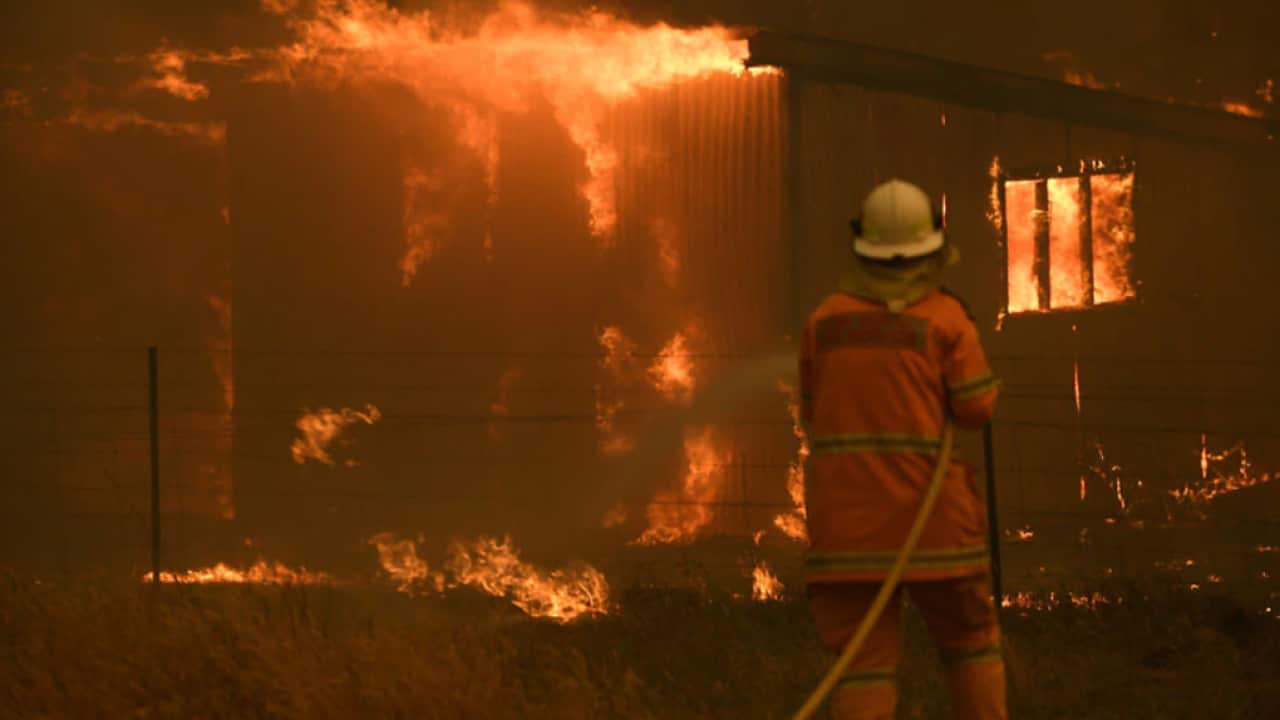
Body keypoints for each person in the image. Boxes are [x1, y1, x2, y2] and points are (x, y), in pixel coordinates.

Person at [798, 179, 1005, 720]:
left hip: (847, 535)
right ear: (931, 249)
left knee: (863, 666)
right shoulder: (945, 320)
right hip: (935, 530)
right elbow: (976, 408)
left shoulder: (824, 322)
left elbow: (811, 410)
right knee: (970, 642)